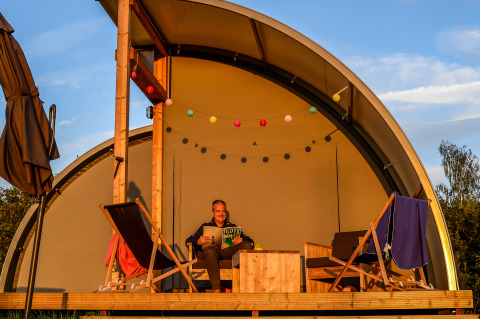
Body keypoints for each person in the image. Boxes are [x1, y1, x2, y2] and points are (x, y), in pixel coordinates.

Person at [185, 199, 253, 292]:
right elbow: (188, 240)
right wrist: (198, 241)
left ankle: (247, 287)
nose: (221, 214)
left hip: (228, 253)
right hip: (212, 253)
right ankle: (216, 290)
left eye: (223, 211)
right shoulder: (205, 226)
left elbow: (250, 241)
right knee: (209, 250)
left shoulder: (232, 226)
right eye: (218, 211)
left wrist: (241, 240)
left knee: (246, 244)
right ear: (213, 212)